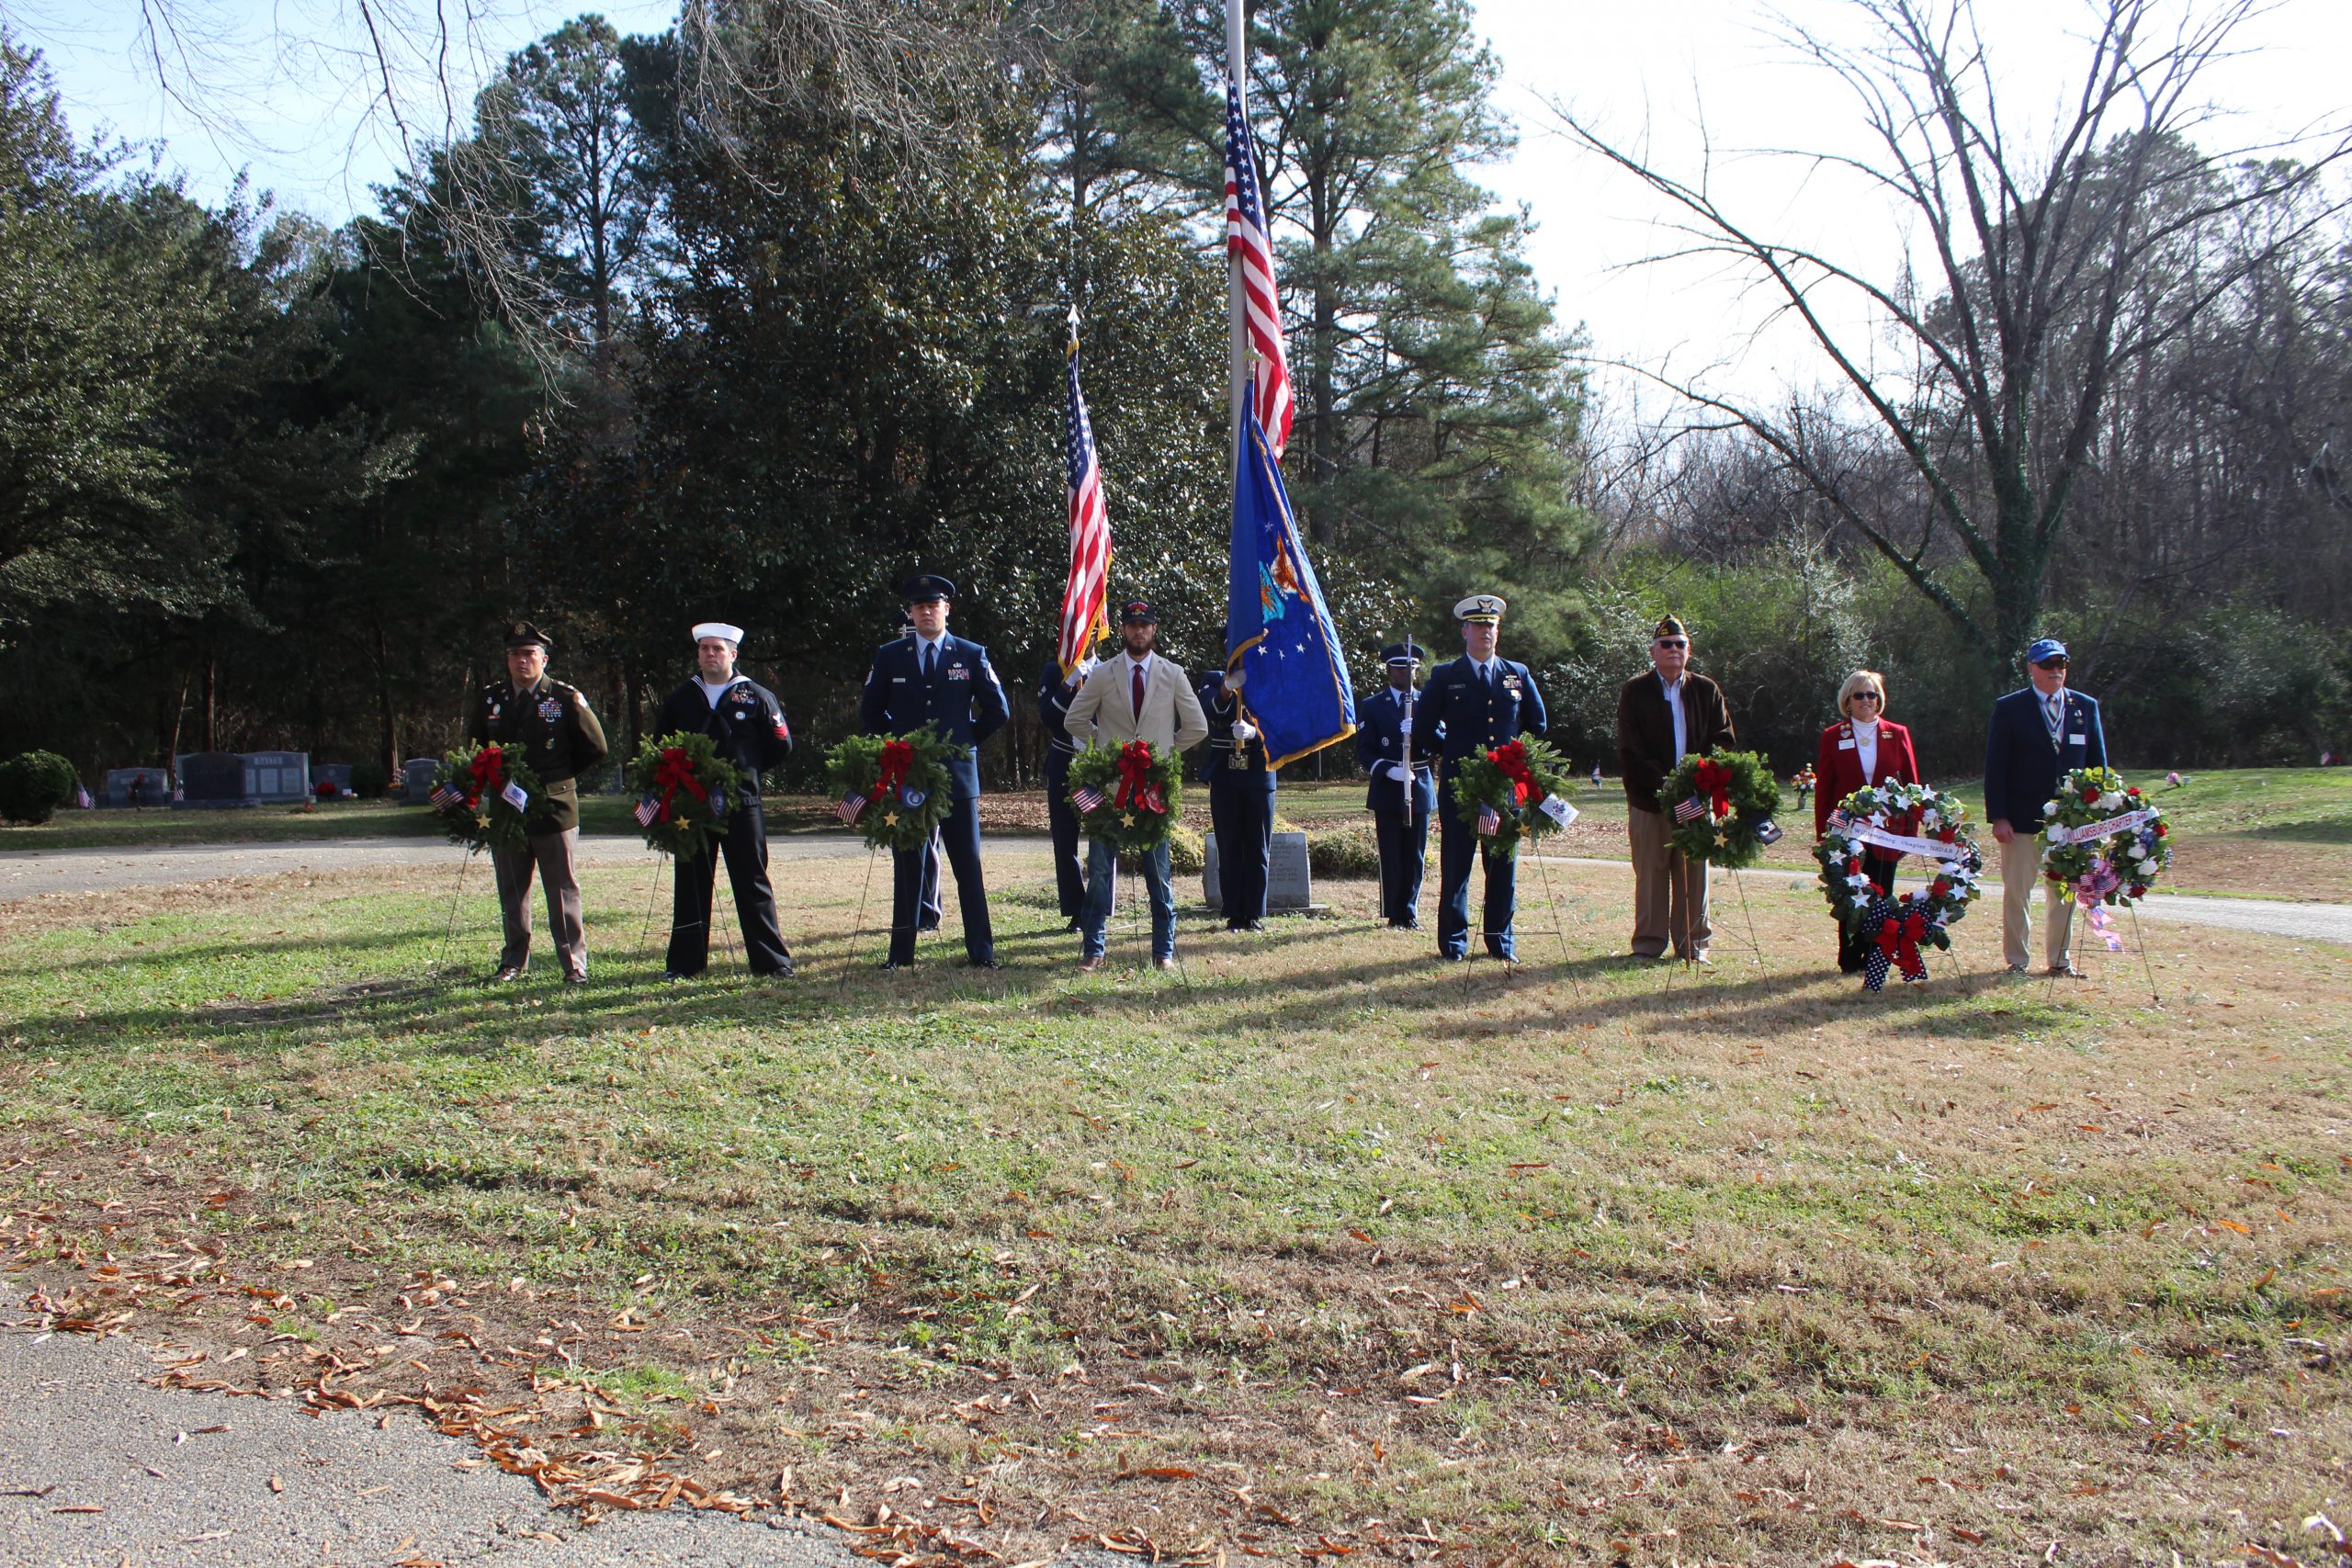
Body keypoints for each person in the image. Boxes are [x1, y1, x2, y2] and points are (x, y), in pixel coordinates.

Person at [859, 574, 1011, 969]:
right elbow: (870, 712)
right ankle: (901, 955)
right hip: (908, 778)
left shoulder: (971, 654)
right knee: (908, 866)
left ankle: (981, 953)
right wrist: (896, 746)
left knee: (968, 866)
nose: (926, 612)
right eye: (919, 606)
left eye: (933, 605)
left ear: (947, 609)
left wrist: (963, 741)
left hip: (957, 779)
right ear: (910, 613)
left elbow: (998, 710)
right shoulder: (890, 655)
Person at [1063, 600, 1209, 971]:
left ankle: (1164, 952)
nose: (1138, 631)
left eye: (1145, 625)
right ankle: (1093, 950)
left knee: (1159, 874)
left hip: (1153, 792)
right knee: (1099, 873)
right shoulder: (1103, 674)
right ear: (1123, 630)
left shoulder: (1173, 673)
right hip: (1110, 790)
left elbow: (1198, 726)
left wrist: (1164, 753)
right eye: (1132, 625)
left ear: (1154, 629)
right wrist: (1104, 750)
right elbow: (1074, 719)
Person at [466, 620, 609, 984]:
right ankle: (513, 961)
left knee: (561, 888)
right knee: (512, 888)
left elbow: (596, 747)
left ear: (544, 659)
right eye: (514, 654)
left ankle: (574, 963)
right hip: (507, 810)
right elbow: (476, 749)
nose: (521, 660)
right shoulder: (491, 699)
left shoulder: (563, 697)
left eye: (529, 654)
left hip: (554, 807)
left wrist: (559, 775)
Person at [652, 622, 796, 980]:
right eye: (705, 649)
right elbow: (661, 744)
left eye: (718, 649)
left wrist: (747, 771)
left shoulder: (756, 695)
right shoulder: (682, 698)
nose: (710, 655)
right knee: (691, 884)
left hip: (742, 804)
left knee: (753, 882)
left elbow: (780, 744)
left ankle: (772, 963)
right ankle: (684, 965)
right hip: (692, 808)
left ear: (733, 654)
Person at [1417, 595, 1548, 962]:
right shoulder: (1446, 675)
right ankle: (1454, 943)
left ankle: (1500, 941)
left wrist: (1517, 759)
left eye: (1490, 625)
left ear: (1498, 631)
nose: (1484, 631)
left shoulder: (1516, 673)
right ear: (1464, 631)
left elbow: (1537, 724)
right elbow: (1425, 728)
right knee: (1457, 865)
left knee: (1503, 867)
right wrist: (1452, 753)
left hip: (1506, 788)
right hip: (1462, 788)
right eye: (1477, 625)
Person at [1984, 637, 2108, 976]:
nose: (2055, 670)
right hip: (2022, 819)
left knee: (2064, 892)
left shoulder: (2085, 707)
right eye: (2047, 664)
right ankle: (2017, 961)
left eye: (2060, 663)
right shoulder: (2010, 708)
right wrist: (1999, 816)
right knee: (2017, 892)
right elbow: (1996, 766)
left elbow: (2098, 766)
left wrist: (2099, 816)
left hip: (2071, 821)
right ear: (2031, 668)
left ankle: (2059, 961)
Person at [1615, 615, 1736, 964]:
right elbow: (1630, 748)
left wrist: (1698, 782)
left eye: (1680, 644)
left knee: (1694, 875)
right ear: (1653, 651)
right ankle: (1648, 945)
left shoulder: (1706, 690)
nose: (1673, 649)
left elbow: (1724, 741)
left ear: (1689, 650)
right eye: (1665, 644)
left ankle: (1694, 945)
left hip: (1696, 799)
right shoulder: (1635, 691)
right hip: (1649, 800)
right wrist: (1664, 783)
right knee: (1651, 874)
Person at [1814, 670, 1921, 974]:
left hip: (1887, 832)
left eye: (1871, 694)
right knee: (1851, 894)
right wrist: (1824, 834)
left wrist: (1911, 831)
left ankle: (1877, 955)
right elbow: (1824, 789)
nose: (1866, 700)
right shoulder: (1833, 736)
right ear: (1847, 700)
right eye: (1859, 695)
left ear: (1879, 699)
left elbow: (1911, 784)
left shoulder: (1896, 733)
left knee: (1882, 893)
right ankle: (1850, 958)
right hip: (1848, 832)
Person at [1354, 640, 1437, 929]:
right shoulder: (1373, 705)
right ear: (1389, 671)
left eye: (1410, 668)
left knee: (1415, 853)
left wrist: (1421, 732)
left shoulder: (1428, 703)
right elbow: (1364, 750)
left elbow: (1439, 744)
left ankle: (1410, 912)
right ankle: (1393, 913)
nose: (1405, 673)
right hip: (1389, 785)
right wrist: (1388, 770)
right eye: (1400, 668)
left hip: (1419, 781)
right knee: (1391, 851)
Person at [1197, 637, 1275, 931]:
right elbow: (1210, 712)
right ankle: (1233, 912)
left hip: (1259, 772)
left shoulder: (1270, 680)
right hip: (1225, 775)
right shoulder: (1213, 679)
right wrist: (1228, 688)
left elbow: (1281, 724)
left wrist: (1255, 734)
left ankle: (1253, 913)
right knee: (1229, 845)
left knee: (1257, 846)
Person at [1036, 652, 1097, 930]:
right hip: (1064, 764)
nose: (1087, 636)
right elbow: (1048, 716)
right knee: (1065, 840)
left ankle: (1099, 905)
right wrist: (1068, 683)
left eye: (1092, 631)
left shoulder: (1110, 670)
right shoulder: (1054, 670)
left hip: (1098, 766)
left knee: (1102, 838)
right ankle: (1076, 909)